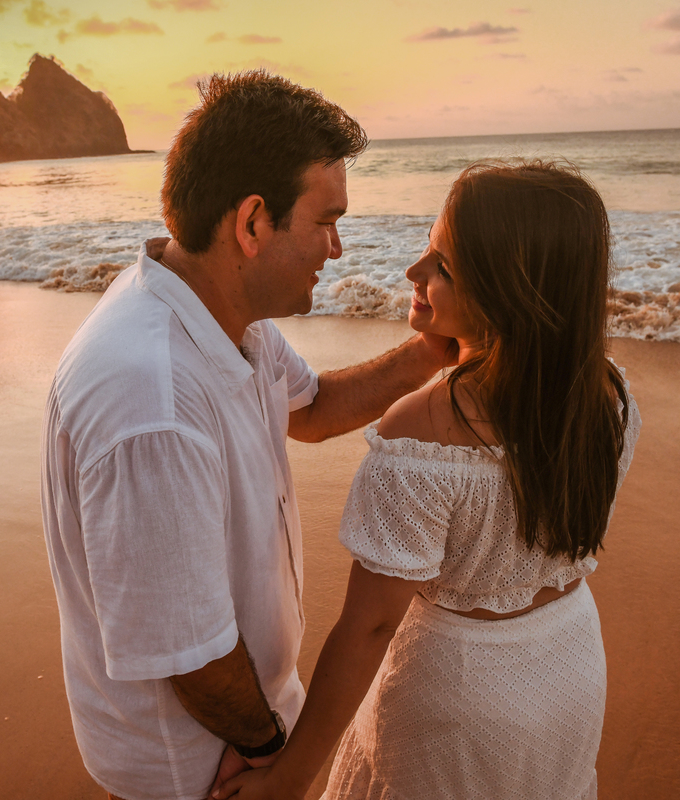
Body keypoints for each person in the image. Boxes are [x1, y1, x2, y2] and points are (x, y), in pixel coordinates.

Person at [40, 71, 457, 800]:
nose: (337, 249)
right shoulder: (153, 404)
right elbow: (192, 655)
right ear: (254, 224)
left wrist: (431, 353)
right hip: (200, 767)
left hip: (241, 723)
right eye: (326, 221)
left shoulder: (217, 308)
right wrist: (275, 759)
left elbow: (312, 409)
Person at [215, 161, 642, 800]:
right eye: (427, 246)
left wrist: (289, 776)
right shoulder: (606, 398)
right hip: (569, 667)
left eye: (442, 265)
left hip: (457, 704)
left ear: (506, 292)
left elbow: (369, 628)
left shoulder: (424, 434)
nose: (413, 272)